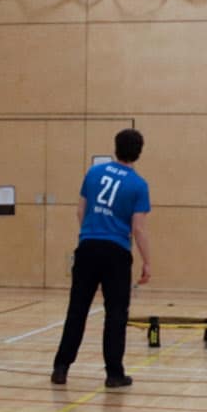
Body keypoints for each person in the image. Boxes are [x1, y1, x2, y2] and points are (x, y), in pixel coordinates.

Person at [51, 129, 152, 388]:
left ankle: (61, 368)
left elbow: (80, 211)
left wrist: (92, 232)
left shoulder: (94, 173)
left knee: (77, 310)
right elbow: (138, 228)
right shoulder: (139, 185)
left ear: (115, 147)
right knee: (116, 314)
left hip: (87, 248)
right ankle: (114, 374)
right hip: (116, 253)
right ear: (139, 152)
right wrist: (147, 261)